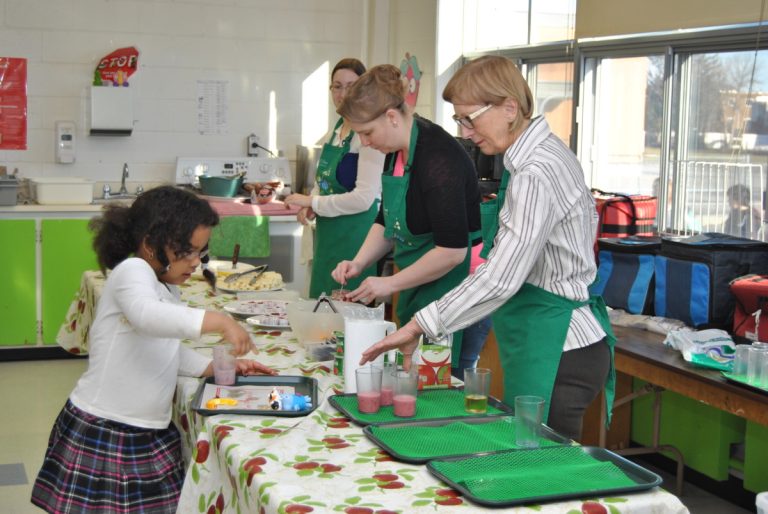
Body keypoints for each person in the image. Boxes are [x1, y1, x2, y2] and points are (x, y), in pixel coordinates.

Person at [360, 56, 616, 442]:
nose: (466, 131)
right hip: (540, 338)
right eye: (459, 120)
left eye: (469, 118)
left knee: (536, 474)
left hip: (559, 347)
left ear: (509, 107)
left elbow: (500, 278)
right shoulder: (530, 158)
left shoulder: (535, 173)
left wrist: (421, 325)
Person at [31, 186, 276, 514]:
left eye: (200, 253)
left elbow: (164, 348)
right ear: (149, 245)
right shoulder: (132, 272)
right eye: (187, 252)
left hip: (145, 430)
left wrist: (215, 367)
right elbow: (148, 318)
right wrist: (219, 321)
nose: (195, 262)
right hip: (107, 429)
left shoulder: (165, 286)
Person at [332, 64, 482, 373]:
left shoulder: (439, 160)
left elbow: (452, 253)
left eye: (367, 133)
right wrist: (359, 262)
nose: (365, 142)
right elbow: (387, 219)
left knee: (437, 388)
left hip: (454, 293)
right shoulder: (397, 151)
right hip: (419, 285)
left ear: (391, 117)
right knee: (411, 377)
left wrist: (390, 283)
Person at [284, 58, 385, 299]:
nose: (343, 93)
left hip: (356, 238)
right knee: (320, 306)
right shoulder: (335, 131)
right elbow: (324, 182)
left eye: (351, 85)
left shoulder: (367, 135)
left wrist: (312, 203)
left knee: (346, 313)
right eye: (336, 86)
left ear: (364, 88)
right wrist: (313, 202)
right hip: (328, 235)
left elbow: (364, 198)